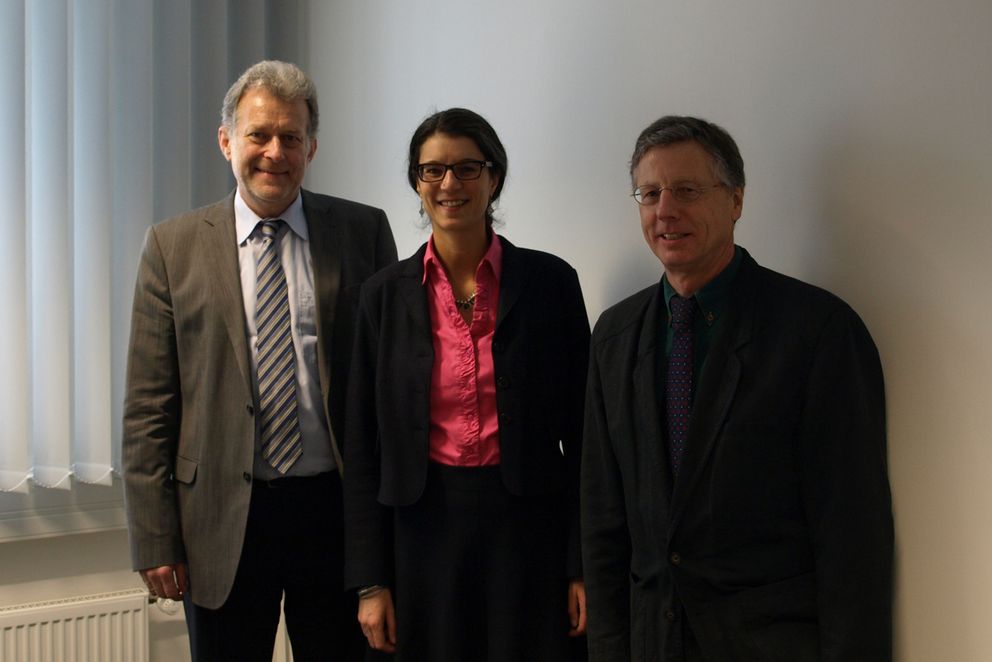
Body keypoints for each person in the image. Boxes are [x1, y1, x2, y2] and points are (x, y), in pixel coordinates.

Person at [581, 115, 893, 661]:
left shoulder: (817, 332)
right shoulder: (615, 335)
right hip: (653, 643)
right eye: (649, 193)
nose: (665, 210)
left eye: (687, 190)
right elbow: (604, 522)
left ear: (736, 200)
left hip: (771, 643)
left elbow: (852, 536)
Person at [122, 60, 397, 662]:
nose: (275, 151)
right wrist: (153, 535)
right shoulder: (172, 247)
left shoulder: (363, 231)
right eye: (258, 134)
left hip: (333, 514)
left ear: (312, 147)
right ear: (226, 142)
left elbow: (386, 389)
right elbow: (149, 406)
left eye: (291, 137)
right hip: (220, 518)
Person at [343, 107, 590, 661]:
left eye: (467, 168)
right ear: (417, 182)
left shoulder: (551, 283)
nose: (449, 183)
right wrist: (370, 581)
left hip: (526, 528)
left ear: (494, 177)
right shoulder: (381, 297)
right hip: (421, 529)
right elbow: (361, 446)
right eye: (433, 170)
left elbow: (583, 439)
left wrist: (582, 565)